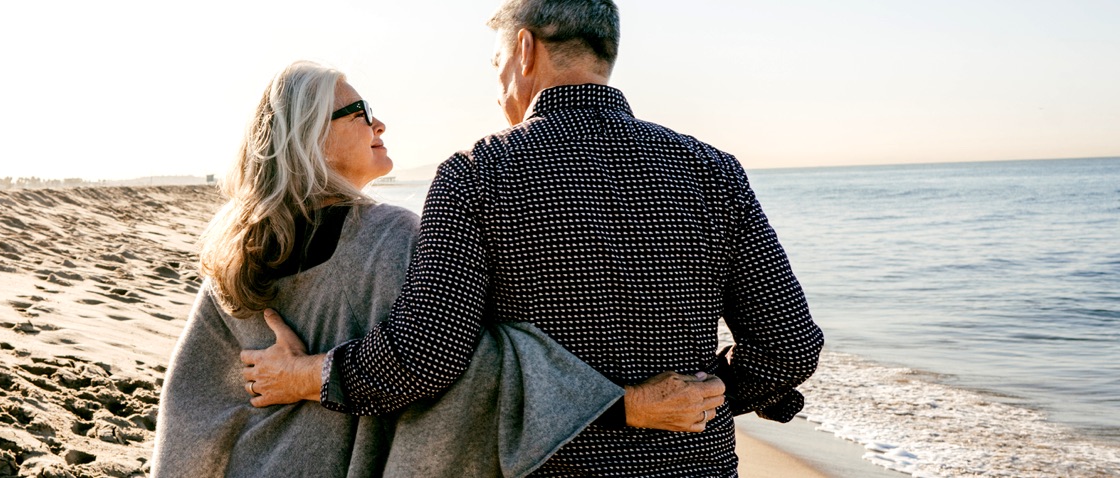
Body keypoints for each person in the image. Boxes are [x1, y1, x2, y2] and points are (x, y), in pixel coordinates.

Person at [240, 1, 825, 476]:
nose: (498, 89)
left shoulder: (478, 173)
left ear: (524, 51)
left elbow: (426, 357)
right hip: (694, 466)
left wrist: (309, 374)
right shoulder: (712, 170)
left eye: (496, 65)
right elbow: (791, 347)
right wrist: (711, 393)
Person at [150, 61, 717, 478]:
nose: (381, 124)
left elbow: (192, 404)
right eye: (362, 113)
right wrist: (625, 404)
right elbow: (462, 365)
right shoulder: (391, 236)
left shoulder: (234, 252)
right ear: (312, 138)